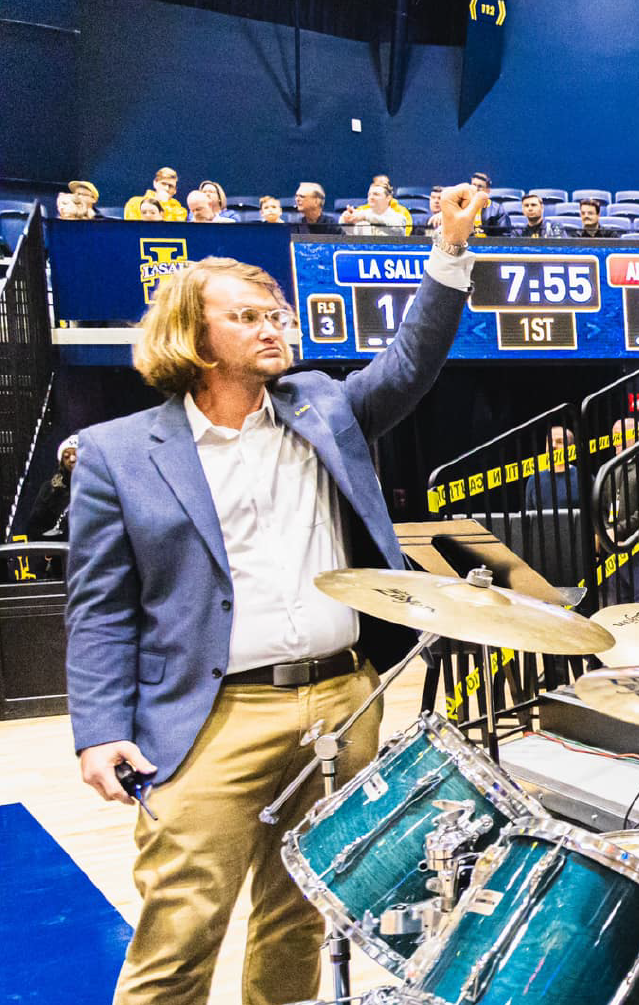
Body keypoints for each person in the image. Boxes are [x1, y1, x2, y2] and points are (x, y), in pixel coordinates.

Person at [65, 183, 483, 1005]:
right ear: (195, 334)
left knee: (301, 917)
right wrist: (100, 728)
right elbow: (101, 607)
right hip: (210, 717)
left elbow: (408, 365)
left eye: (277, 314)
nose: (274, 326)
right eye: (250, 316)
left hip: (342, 702)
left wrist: (451, 252)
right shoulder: (117, 454)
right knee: (181, 933)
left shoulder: (322, 405)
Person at [27, 435, 79, 539]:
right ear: (61, 462)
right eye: (66, 456)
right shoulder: (49, 489)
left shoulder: (99, 487)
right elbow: (34, 527)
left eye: (76, 454)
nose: (72, 459)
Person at [523, 425, 579, 508]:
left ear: (570, 448)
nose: (553, 445)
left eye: (559, 442)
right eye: (549, 441)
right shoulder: (534, 480)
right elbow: (530, 517)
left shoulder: (583, 478)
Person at [342, 182, 408, 235]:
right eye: (369, 195)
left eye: (376, 194)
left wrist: (366, 217)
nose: (371, 197)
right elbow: (350, 233)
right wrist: (347, 219)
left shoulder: (399, 218)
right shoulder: (361, 217)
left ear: (388, 198)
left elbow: (397, 229)